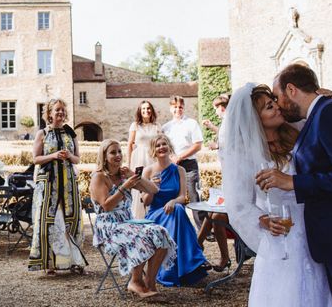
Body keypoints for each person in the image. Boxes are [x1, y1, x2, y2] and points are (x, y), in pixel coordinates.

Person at [221, 82, 332, 306]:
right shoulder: (244, 155)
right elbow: (240, 205)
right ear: (255, 119)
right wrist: (262, 220)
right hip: (281, 235)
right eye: (268, 107)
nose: (277, 108)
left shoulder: (298, 132)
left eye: (274, 102)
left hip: (314, 227)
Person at [259, 63, 332, 305]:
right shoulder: (318, 114)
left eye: (277, 97)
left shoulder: (330, 112)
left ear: (291, 89)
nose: (277, 104)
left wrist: (294, 183)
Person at [90, 139, 176, 298]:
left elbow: (154, 189)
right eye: (113, 152)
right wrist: (126, 186)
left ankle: (150, 282)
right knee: (139, 236)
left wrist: (135, 176)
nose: (118, 155)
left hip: (128, 222)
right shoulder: (99, 177)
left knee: (160, 232)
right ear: (104, 156)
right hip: (109, 226)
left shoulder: (123, 176)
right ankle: (135, 281)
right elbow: (107, 206)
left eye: (119, 151)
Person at [28, 98, 87, 274]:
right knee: (49, 221)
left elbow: (78, 158)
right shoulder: (43, 134)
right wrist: (53, 155)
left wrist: (68, 155)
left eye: (62, 110)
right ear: (49, 113)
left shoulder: (71, 133)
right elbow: (35, 159)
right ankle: (49, 263)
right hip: (48, 183)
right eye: (57, 110)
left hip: (68, 182)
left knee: (71, 220)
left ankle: (73, 261)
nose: (60, 113)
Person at [143, 134, 208, 286]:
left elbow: (182, 197)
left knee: (178, 208)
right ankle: (194, 261)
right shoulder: (148, 171)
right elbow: (145, 202)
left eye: (164, 144)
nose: (161, 147)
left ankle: (185, 267)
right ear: (154, 150)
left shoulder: (179, 170)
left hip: (174, 212)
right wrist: (152, 188)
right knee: (178, 211)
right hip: (156, 214)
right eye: (158, 145)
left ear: (169, 146)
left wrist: (172, 201)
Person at [198, 93, 231, 271]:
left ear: (222, 107)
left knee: (215, 215)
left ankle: (223, 256)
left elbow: (232, 142)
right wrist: (212, 128)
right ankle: (198, 244)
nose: (218, 111)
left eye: (218, 108)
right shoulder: (228, 121)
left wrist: (217, 146)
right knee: (211, 211)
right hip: (229, 179)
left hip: (236, 187)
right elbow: (225, 135)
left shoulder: (231, 120)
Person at [162, 95, 204, 228]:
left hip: (189, 165)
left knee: (193, 196)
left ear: (183, 108)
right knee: (175, 196)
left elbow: (198, 145)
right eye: (175, 107)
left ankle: (203, 229)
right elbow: (164, 146)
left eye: (180, 107)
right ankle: (179, 227)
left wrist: (179, 157)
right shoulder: (165, 127)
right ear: (170, 108)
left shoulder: (191, 123)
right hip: (172, 165)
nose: (178, 109)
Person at [127, 100, 160, 218]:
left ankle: (152, 215)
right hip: (138, 159)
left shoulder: (157, 126)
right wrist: (129, 162)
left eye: (148, 108)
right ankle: (137, 215)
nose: (146, 111)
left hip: (152, 158)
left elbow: (160, 144)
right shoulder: (135, 125)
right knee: (138, 185)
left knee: (152, 184)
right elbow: (130, 144)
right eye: (143, 109)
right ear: (140, 112)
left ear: (152, 110)